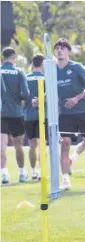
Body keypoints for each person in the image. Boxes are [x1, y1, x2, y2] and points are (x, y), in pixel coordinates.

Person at [54, 38, 85, 190]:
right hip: (65, 114)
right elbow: (48, 90)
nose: (60, 50)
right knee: (65, 143)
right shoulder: (51, 70)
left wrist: (76, 98)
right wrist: (39, 100)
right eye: (57, 48)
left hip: (84, 111)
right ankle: (66, 180)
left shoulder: (77, 67)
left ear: (68, 51)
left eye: (62, 48)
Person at [1, 47, 30, 184]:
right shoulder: (19, 72)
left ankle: (4, 174)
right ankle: (22, 173)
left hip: (1, 113)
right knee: (18, 144)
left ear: (2, 58)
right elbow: (26, 94)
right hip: (16, 113)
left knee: (2, 144)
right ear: (14, 58)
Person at [24, 54, 46, 180]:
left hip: (29, 115)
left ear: (32, 64)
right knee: (43, 144)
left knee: (32, 145)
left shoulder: (26, 78)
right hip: (43, 115)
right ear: (43, 65)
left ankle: (33, 172)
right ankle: (42, 171)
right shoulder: (46, 78)